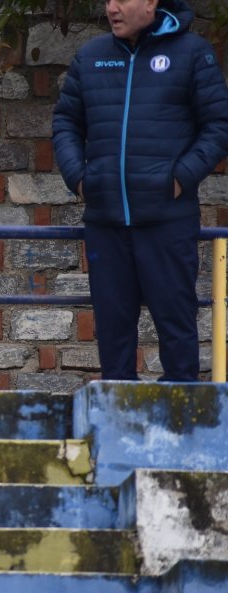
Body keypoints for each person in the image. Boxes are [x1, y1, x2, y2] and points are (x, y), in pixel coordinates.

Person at [53, 0, 228, 381]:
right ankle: (118, 429)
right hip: (106, 222)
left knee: (177, 332)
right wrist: (79, 179)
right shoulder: (91, 56)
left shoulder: (192, 53)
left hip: (168, 221)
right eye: (108, 1)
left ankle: (182, 427)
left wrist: (179, 178)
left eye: (121, 0)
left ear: (151, 3)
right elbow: (66, 121)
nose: (111, 8)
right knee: (113, 341)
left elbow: (218, 125)